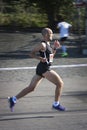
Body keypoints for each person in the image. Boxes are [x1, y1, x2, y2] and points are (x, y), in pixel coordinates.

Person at [8, 28, 66, 112]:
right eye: (51, 34)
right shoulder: (42, 45)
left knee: (31, 88)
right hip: (44, 68)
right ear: (46, 35)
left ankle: (13, 99)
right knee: (60, 83)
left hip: (42, 68)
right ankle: (56, 104)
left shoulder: (48, 44)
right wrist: (39, 58)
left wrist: (55, 48)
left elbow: (51, 57)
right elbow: (31, 53)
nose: (52, 35)